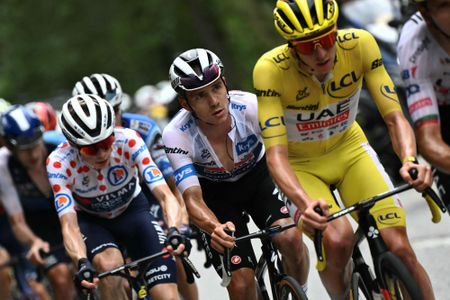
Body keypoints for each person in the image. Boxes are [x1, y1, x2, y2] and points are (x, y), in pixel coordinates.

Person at [253, 0, 435, 299]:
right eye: (308, 46)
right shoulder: (270, 70)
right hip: (302, 166)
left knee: (400, 248)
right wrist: (302, 201)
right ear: (291, 46)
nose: (321, 52)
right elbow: (275, 155)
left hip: (349, 149)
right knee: (338, 240)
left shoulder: (360, 44)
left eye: (326, 39)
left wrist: (409, 160)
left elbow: (394, 116)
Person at [163, 48, 309, 300]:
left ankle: (299, 292)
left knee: (290, 238)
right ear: (185, 103)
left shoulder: (250, 107)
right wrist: (213, 228)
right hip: (216, 196)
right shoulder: (176, 134)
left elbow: (288, 157)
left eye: (216, 88)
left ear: (225, 83)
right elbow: (193, 199)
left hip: (259, 178)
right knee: (241, 284)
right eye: (200, 96)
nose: (214, 101)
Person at [46, 94, 189, 300]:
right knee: (109, 266)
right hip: (94, 223)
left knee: (167, 296)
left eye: (107, 141)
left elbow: (165, 195)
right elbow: (69, 225)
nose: (102, 153)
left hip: (133, 212)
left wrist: (175, 229)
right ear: (72, 144)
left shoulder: (129, 139)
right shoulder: (59, 163)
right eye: (91, 148)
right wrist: (82, 262)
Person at [0, 105, 75, 300]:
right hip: (42, 234)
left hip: (77, 220)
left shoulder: (59, 145)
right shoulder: (4, 165)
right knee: (61, 279)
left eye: (35, 145)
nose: (33, 155)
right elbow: (17, 221)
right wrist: (34, 242)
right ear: (9, 147)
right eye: (24, 150)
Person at [397, 0, 450, 211]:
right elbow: (429, 141)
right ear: (426, 13)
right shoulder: (414, 46)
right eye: (445, 5)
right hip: (442, 113)